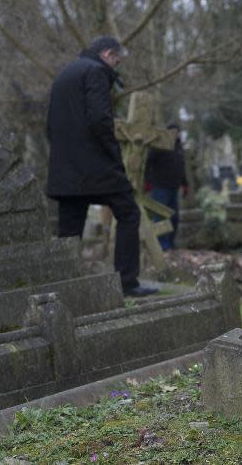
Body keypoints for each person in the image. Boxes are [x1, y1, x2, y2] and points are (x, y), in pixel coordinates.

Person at [45, 35, 158, 297]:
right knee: (129, 213)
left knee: (69, 231)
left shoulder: (64, 75)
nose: (116, 67)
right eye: (117, 61)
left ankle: (65, 288)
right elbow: (99, 119)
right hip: (97, 168)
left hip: (66, 170)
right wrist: (113, 154)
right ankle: (127, 283)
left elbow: (49, 125)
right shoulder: (96, 71)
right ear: (107, 54)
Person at [144, 124, 188, 250]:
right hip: (160, 186)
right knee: (160, 216)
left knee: (174, 217)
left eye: (177, 132)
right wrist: (147, 182)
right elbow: (148, 163)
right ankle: (161, 245)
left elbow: (181, 167)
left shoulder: (179, 147)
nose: (175, 134)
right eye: (173, 132)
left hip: (174, 187)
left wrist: (185, 184)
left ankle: (170, 243)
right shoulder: (159, 146)